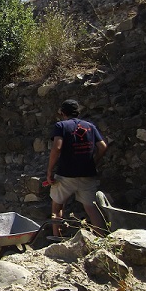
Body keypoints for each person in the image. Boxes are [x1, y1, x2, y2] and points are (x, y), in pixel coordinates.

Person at [46, 99, 108, 237]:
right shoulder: (90, 126)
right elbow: (103, 147)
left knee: (57, 206)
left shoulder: (61, 126)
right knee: (91, 208)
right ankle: (103, 240)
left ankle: (57, 238)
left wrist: (50, 170)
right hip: (87, 173)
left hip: (66, 174)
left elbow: (57, 148)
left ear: (62, 112)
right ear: (78, 112)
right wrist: (93, 161)